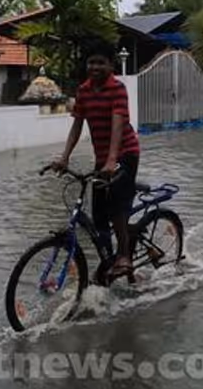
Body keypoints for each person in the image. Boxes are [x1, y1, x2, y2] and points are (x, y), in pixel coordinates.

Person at [49, 44, 141, 278]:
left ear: (111, 65)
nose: (95, 67)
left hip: (126, 153)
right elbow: (77, 124)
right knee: (98, 214)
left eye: (101, 62)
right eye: (91, 62)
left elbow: (118, 123)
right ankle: (108, 262)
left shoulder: (117, 89)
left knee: (115, 206)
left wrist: (112, 160)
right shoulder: (83, 91)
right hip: (103, 158)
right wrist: (64, 157)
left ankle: (123, 255)